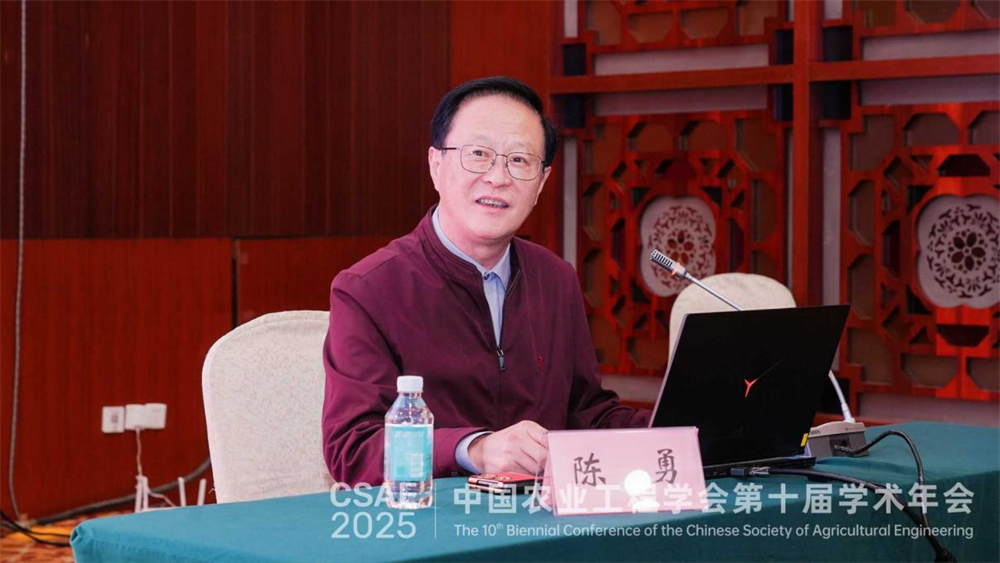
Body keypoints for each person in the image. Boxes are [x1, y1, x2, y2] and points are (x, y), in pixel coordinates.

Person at [322, 76, 650, 486]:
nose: (498, 177)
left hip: (540, 515)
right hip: (434, 516)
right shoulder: (368, 289)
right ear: (436, 165)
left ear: (541, 182)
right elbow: (353, 449)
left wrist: (687, 427)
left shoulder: (556, 279)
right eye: (478, 154)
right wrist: (474, 449)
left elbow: (585, 415)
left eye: (520, 160)